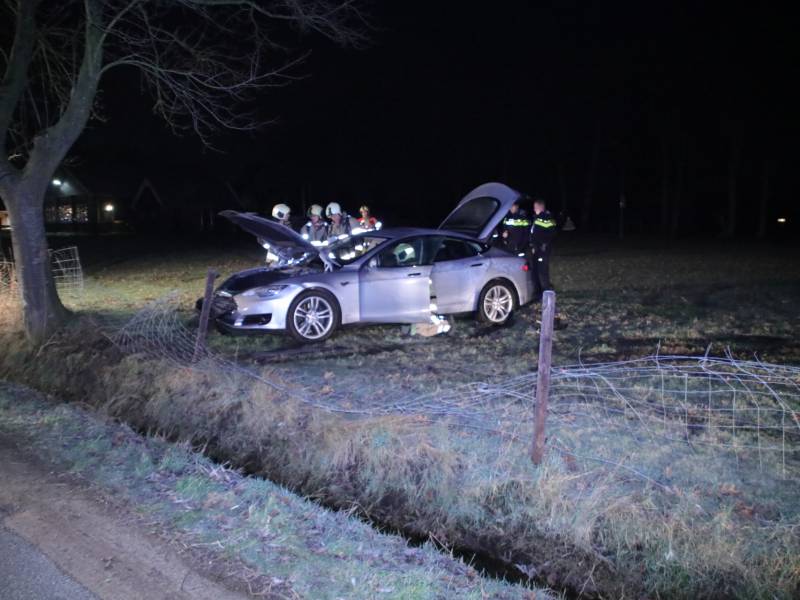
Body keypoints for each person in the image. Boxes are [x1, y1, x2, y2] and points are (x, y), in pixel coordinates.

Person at [529, 197, 557, 300]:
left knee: (542, 273)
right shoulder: (536, 218)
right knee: (535, 272)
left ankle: (547, 295)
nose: (534, 209)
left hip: (542, 250)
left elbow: (550, 234)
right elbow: (534, 234)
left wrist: (542, 245)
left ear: (540, 207)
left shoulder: (547, 218)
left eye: (535, 207)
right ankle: (538, 294)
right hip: (536, 250)